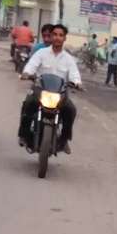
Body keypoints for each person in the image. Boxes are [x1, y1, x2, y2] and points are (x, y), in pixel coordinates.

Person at [18, 23, 81, 154]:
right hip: (40, 90)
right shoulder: (41, 53)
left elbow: (74, 74)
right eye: (55, 35)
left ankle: (64, 140)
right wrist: (27, 73)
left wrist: (77, 82)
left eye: (61, 35)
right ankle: (23, 135)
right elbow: (32, 65)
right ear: (51, 37)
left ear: (64, 38)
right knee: (28, 105)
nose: (57, 37)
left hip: (60, 93)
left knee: (71, 110)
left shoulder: (69, 59)